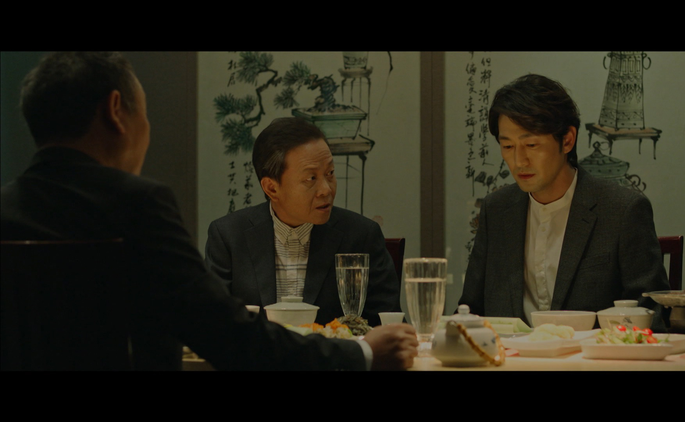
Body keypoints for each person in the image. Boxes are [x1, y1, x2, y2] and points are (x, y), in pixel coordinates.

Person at [0, 51, 418, 370]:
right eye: (144, 112)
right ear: (115, 111)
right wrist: (360, 354)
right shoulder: (139, 204)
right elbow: (223, 333)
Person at [457, 74, 670, 331]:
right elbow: (470, 311)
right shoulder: (497, 210)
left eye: (531, 144)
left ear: (567, 140)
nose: (519, 161)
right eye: (508, 147)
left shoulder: (622, 209)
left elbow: (650, 316)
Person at [204, 117, 402, 327]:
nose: (326, 189)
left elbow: (389, 326)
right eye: (310, 179)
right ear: (272, 188)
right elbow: (211, 323)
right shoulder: (229, 237)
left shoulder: (361, 236)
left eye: (330, 173)